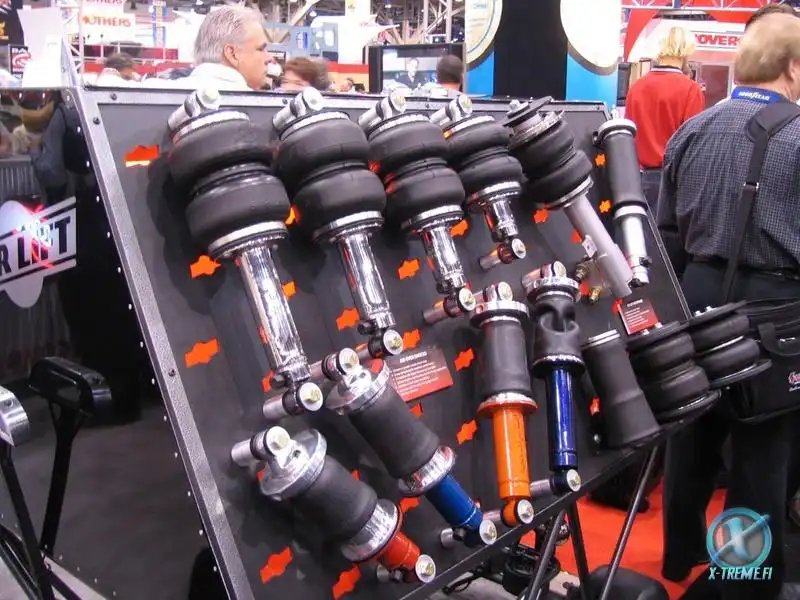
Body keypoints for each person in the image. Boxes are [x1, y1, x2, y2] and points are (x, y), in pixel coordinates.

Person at [657, 14, 800, 600]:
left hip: (695, 294)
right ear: (793, 67)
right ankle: (746, 583)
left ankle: (679, 555)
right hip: (774, 310)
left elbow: (665, 230)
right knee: (761, 453)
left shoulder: (692, 130)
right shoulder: (798, 136)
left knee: (691, 433)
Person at [624, 26, 704, 211]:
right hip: (672, 183)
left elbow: (628, 136)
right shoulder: (690, 89)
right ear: (686, 51)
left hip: (637, 180)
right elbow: (693, 145)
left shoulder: (637, 87)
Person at [177, 5, 270, 91]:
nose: (269, 58)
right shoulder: (257, 102)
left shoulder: (172, 91)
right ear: (232, 54)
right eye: (261, 49)